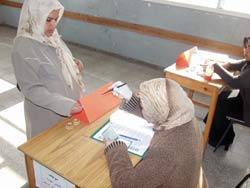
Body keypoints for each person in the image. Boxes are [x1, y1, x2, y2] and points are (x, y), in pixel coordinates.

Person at [104, 78, 207, 188]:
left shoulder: (166, 154)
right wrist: (130, 97)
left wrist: (115, 148)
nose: (138, 95)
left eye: (143, 104)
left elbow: (126, 184)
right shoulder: (185, 115)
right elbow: (162, 112)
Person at [11, 0, 85, 139]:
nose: (54, 24)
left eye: (56, 19)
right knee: (48, 152)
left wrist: (74, 64)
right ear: (34, 17)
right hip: (47, 116)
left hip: (69, 107)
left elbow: (59, 60)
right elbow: (32, 89)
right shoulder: (23, 47)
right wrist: (65, 105)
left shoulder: (52, 37)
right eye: (48, 19)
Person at [204, 37, 250, 150]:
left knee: (219, 105)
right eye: (245, 47)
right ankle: (211, 127)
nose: (246, 51)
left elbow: (235, 82)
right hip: (244, 99)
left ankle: (224, 138)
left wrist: (216, 67)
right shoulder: (248, 62)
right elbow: (239, 64)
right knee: (220, 97)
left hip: (247, 109)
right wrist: (227, 65)